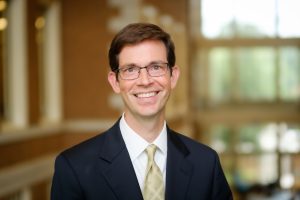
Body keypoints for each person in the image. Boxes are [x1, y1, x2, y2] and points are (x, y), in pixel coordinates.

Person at [51, 22, 233, 200]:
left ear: (173, 76)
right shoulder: (74, 167)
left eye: (156, 67)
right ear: (115, 82)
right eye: (130, 69)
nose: (145, 81)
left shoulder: (206, 164)